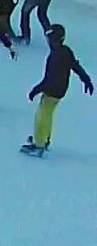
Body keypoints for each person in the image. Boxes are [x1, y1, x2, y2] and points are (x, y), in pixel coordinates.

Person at [22, 24, 93, 156]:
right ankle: (44, 138)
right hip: (60, 90)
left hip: (52, 90)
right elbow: (75, 65)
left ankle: (39, 144)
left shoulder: (55, 56)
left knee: (41, 116)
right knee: (48, 114)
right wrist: (86, 79)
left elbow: (49, 78)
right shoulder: (65, 51)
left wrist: (36, 90)